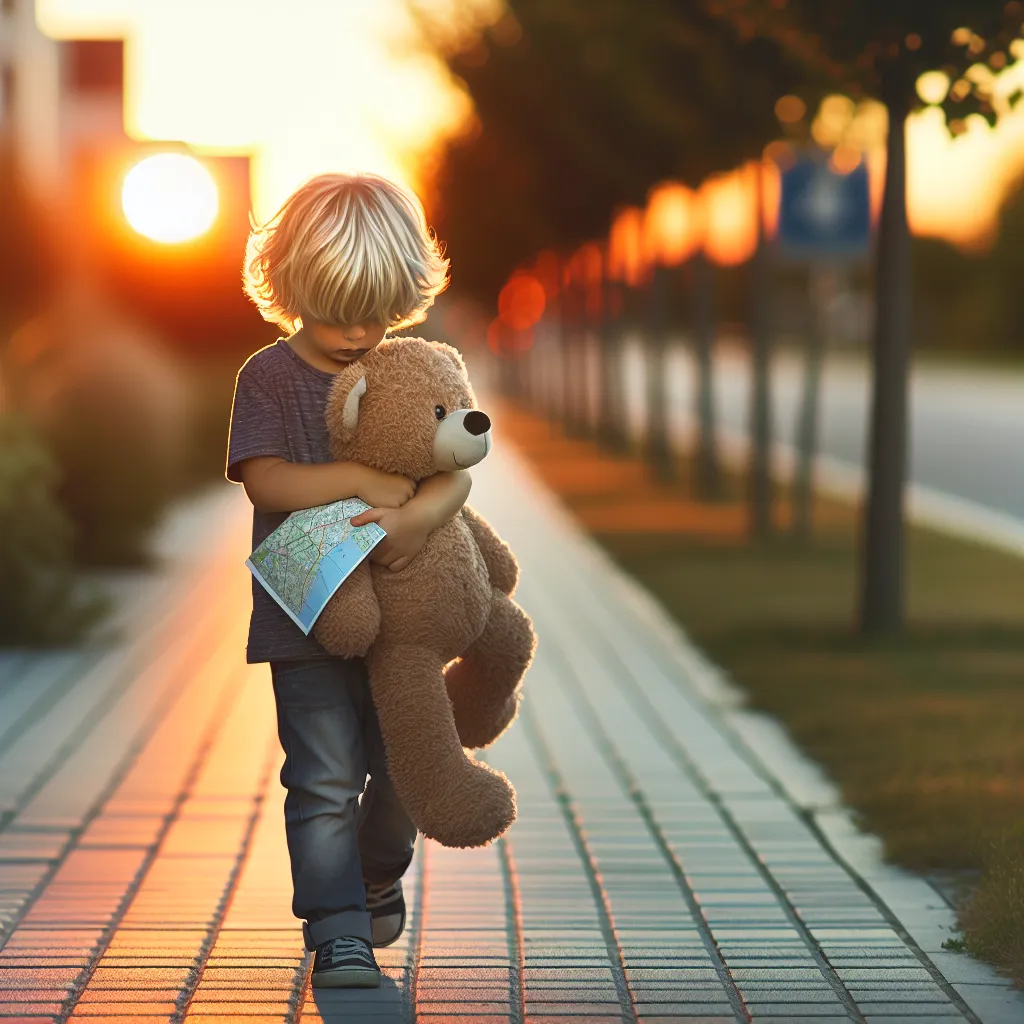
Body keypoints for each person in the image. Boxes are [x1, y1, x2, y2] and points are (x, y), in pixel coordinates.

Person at [225, 172, 468, 988]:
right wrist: (359, 479)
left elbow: (455, 472)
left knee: (403, 762)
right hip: (304, 619)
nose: (355, 332)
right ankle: (337, 930)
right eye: (333, 310)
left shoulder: (413, 368)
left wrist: (417, 520)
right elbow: (267, 483)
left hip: (405, 621)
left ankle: (375, 869)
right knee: (323, 776)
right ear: (292, 286)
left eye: (375, 311)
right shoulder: (267, 377)